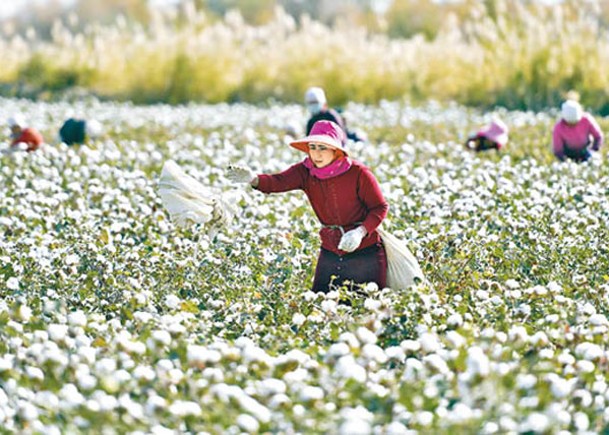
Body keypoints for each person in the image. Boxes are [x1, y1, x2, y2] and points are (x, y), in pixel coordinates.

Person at [226, 120, 389, 293]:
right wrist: (254, 179)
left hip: (365, 253)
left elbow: (379, 207)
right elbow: (278, 182)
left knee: (364, 308)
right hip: (331, 250)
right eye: (313, 147)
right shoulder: (305, 171)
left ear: (336, 150)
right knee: (321, 306)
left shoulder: (358, 173)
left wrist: (360, 232)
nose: (316, 154)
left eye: (323, 147)